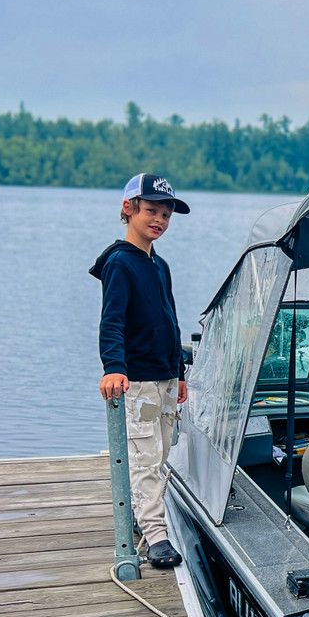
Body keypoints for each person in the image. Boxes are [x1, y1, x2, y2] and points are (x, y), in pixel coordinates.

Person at [90, 173, 190, 568]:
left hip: (165, 377)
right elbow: (111, 321)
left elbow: (171, 320)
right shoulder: (119, 264)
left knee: (160, 452)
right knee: (144, 455)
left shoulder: (159, 264)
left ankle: (138, 513)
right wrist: (113, 367)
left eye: (166, 214)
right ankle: (156, 536)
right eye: (151, 210)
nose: (159, 220)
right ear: (128, 209)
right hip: (137, 380)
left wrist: (179, 372)